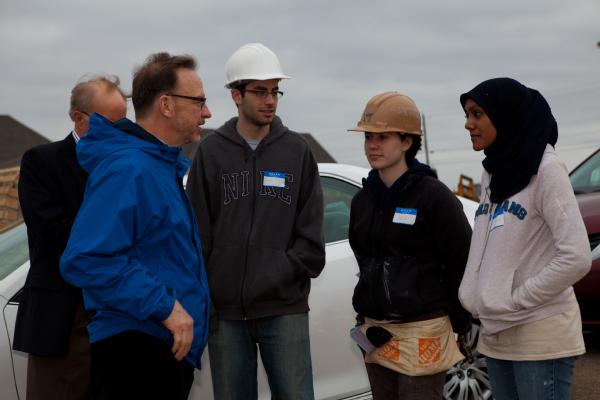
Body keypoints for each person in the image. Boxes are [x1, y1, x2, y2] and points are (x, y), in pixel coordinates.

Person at [59, 53, 212, 400]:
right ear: (166, 105)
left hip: (158, 347)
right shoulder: (129, 168)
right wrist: (166, 307)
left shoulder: (158, 167)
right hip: (138, 352)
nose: (207, 112)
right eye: (199, 101)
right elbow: (87, 258)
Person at [186, 42, 325, 400]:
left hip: (284, 309)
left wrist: (278, 271)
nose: (270, 100)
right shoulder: (211, 152)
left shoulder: (296, 152)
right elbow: (197, 234)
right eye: (260, 91)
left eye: (275, 91)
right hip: (227, 314)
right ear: (236, 94)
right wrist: (213, 287)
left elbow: (311, 240)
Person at [458, 77, 592, 400]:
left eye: (477, 114)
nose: (467, 124)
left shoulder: (547, 169)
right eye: (467, 114)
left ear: (503, 115)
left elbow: (576, 256)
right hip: (497, 332)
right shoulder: (493, 172)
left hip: (539, 334)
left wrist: (516, 298)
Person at [347, 92, 473, 400]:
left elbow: (462, 261)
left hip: (423, 329)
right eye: (368, 137)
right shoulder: (362, 201)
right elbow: (365, 260)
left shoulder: (434, 197)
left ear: (407, 142)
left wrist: (460, 323)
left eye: (383, 137)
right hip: (376, 332)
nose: (372, 145)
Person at [13, 74, 127, 400]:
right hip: (64, 319)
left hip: (119, 320)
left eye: (124, 122)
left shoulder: (127, 167)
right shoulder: (42, 162)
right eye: (111, 121)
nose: (120, 131)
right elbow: (54, 235)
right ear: (79, 117)